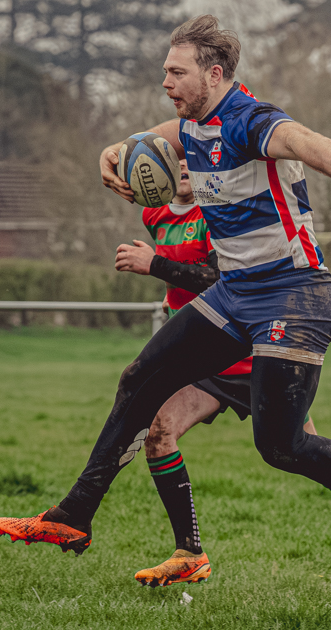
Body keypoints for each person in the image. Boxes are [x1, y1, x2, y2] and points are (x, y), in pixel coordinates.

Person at [0, 15, 331, 556]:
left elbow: (300, 138)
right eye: (165, 71)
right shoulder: (192, 125)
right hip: (236, 293)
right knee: (139, 378)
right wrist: (110, 152)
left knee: (281, 445)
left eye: (176, 72)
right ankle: (73, 515)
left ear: (214, 75)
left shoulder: (248, 120)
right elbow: (145, 139)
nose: (165, 82)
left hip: (294, 294)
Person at [113, 158, 316, 586]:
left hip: (250, 352)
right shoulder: (155, 215)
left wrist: (155, 265)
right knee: (159, 432)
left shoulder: (216, 215)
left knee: (303, 451)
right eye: (174, 157)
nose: (183, 164)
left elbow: (220, 280)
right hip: (202, 359)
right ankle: (189, 552)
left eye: (190, 157)